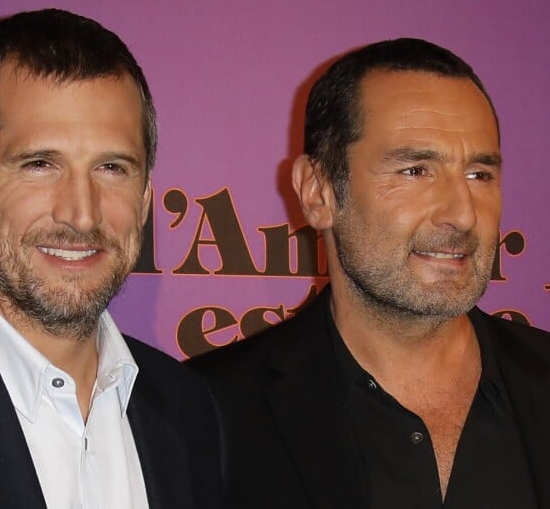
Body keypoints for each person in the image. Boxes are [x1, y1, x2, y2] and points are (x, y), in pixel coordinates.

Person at [190, 38, 550, 508]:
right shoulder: (208, 414)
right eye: (415, 171)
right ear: (318, 191)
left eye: (479, 175)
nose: (463, 214)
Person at [0, 9, 223, 508]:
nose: (81, 215)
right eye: (40, 165)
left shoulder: (188, 407)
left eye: (112, 167)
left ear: (147, 197)